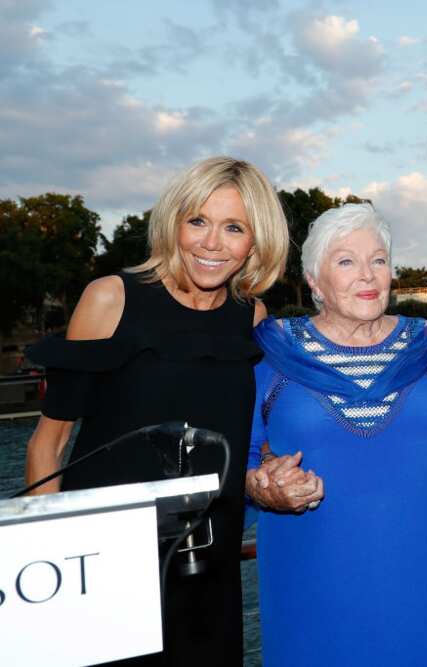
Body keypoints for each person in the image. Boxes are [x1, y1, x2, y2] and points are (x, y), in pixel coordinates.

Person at [24, 156, 289, 665]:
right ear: (173, 222)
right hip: (102, 564)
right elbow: (47, 444)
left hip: (208, 562)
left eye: (234, 227)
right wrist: (51, 570)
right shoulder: (110, 299)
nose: (212, 243)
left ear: (256, 242)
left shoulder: (251, 318)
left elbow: (252, 433)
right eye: (198, 221)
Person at [245, 202, 427, 667]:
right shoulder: (271, 354)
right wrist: (264, 486)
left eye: (378, 260)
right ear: (314, 280)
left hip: (413, 577)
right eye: (346, 261)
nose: (367, 275)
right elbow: (238, 457)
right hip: (310, 575)